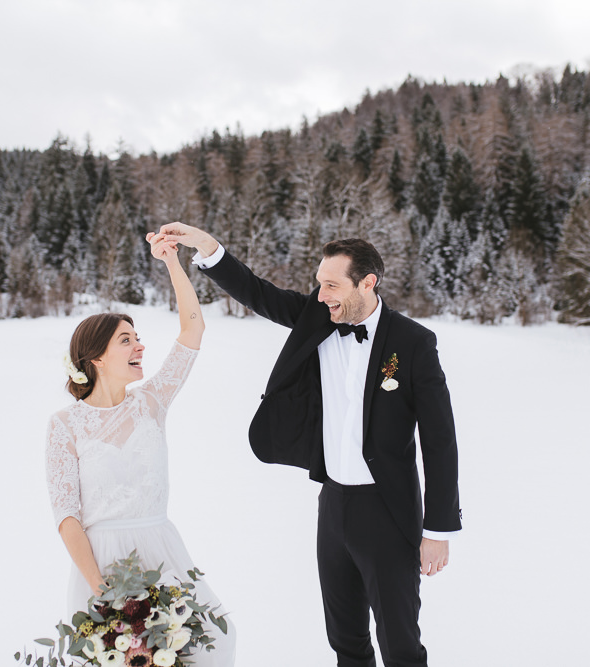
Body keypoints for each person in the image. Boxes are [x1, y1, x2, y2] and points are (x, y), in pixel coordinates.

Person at [158, 222, 461, 667]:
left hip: (389, 513)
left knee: (400, 646)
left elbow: (440, 440)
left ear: (368, 283)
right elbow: (256, 292)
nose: (322, 295)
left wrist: (437, 531)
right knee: (345, 640)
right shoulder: (317, 318)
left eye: (332, 285)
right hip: (333, 505)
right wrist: (207, 249)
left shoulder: (413, 344)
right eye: (319, 284)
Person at [44, 231, 235, 666]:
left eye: (137, 336)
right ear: (96, 359)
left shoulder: (152, 402)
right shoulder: (64, 426)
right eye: (126, 340)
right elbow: (67, 516)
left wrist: (171, 261)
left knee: (213, 646)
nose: (140, 345)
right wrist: (102, 591)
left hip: (163, 551)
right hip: (104, 564)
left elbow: (193, 327)